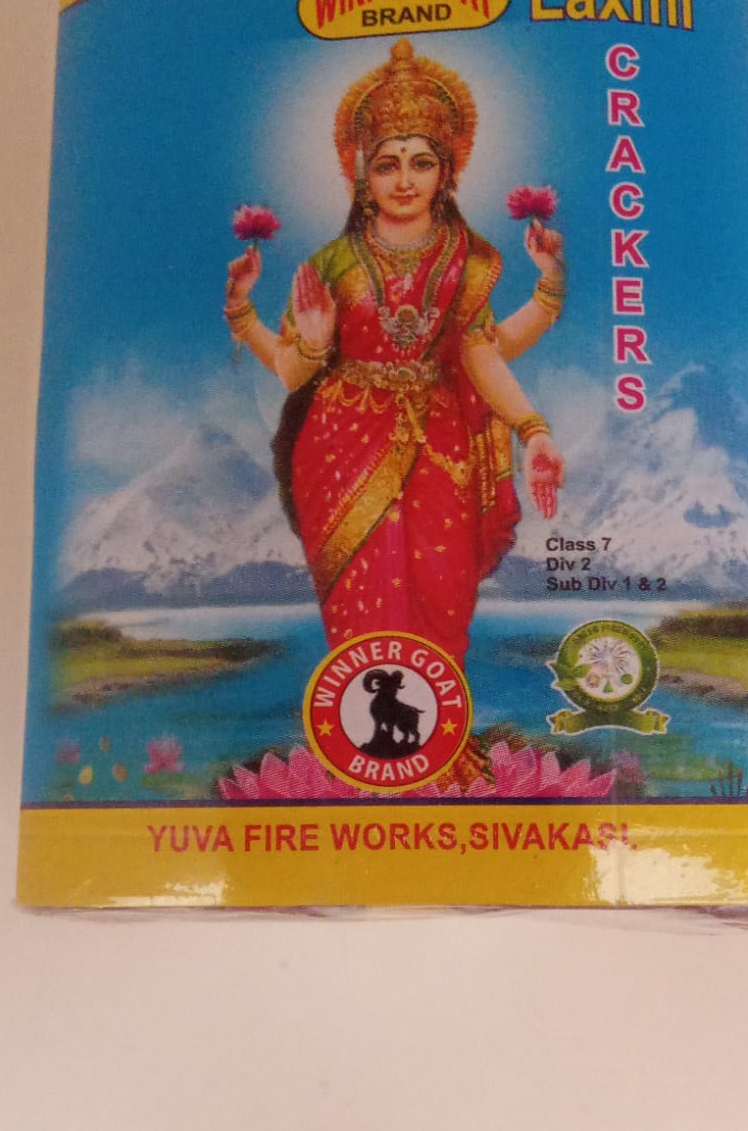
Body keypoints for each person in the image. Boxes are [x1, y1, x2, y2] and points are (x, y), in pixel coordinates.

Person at [224, 39, 565, 668]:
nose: (405, 180)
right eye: (387, 165)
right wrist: (306, 337)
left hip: (441, 445)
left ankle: (440, 728)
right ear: (363, 175)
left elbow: (481, 354)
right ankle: (361, 730)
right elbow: (292, 372)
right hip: (341, 446)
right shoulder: (331, 263)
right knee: (362, 610)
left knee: (443, 594)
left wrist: (533, 430)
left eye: (421, 162)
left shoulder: (469, 260)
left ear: (446, 170)